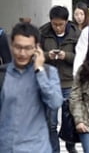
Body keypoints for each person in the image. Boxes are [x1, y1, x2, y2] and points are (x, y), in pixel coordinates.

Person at [0, 22, 63, 153]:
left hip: (36, 147)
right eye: (18, 47)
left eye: (28, 48)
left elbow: (55, 102)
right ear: (11, 46)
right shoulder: (3, 75)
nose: (22, 53)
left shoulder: (48, 72)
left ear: (36, 48)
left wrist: (39, 71)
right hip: (7, 146)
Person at [40, 6, 81, 153]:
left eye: (60, 24)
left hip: (69, 81)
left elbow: (82, 58)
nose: (57, 28)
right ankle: (54, 150)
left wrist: (67, 56)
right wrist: (47, 55)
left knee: (69, 120)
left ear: (66, 21)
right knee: (51, 122)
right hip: (50, 82)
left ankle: (70, 144)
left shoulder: (76, 34)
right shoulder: (43, 33)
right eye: (54, 24)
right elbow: (36, 55)